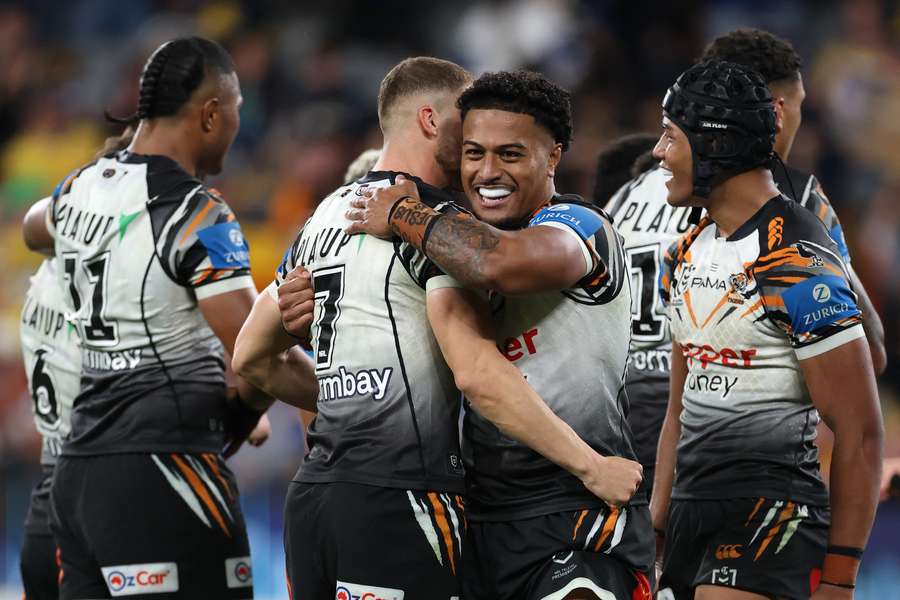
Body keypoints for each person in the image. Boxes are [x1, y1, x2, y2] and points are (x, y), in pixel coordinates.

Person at [236, 58, 639, 600]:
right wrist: (591, 466)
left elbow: (251, 358)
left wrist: (345, 397)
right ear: (431, 120)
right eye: (469, 137)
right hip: (404, 496)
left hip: (316, 497)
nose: (477, 147)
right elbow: (476, 373)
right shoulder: (437, 224)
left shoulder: (323, 216)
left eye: (506, 151)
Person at [23, 37, 315, 600]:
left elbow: (35, 227)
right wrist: (351, 402)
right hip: (166, 470)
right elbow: (257, 358)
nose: (235, 126)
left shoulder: (77, 189)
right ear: (210, 113)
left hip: (78, 474)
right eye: (236, 112)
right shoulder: (197, 213)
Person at [342, 70, 653, 600]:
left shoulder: (579, 226)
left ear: (552, 157)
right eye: (473, 153)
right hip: (479, 518)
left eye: (510, 154)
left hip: (577, 513)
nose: (488, 171)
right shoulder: (450, 245)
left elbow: (497, 264)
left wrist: (400, 208)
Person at [651, 60, 882, 600]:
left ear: (716, 145)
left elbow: (860, 430)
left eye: (669, 136)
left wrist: (840, 579)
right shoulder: (682, 252)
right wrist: (655, 529)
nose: (659, 153)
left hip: (771, 513)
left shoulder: (795, 257)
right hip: (688, 516)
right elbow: (677, 409)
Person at [699, 28, 886, 375]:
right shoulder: (797, 197)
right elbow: (870, 351)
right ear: (776, 110)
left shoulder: (641, 182)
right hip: (744, 418)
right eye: (799, 104)